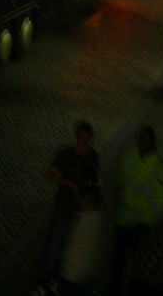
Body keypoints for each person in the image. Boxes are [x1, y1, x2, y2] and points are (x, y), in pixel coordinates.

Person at [32, 121, 101, 295]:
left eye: (86, 139)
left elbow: (93, 182)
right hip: (64, 208)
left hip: (80, 212)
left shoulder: (93, 157)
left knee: (69, 250)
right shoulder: (66, 155)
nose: (83, 142)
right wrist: (68, 183)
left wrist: (88, 200)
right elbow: (47, 174)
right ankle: (43, 283)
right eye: (80, 138)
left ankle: (57, 281)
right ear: (76, 138)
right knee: (53, 248)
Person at [108, 125, 163, 296]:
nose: (142, 142)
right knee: (117, 264)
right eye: (140, 138)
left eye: (145, 139)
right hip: (123, 222)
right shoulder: (130, 156)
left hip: (142, 227)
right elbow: (120, 183)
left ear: (153, 141)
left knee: (137, 269)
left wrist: (147, 221)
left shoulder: (162, 167)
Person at [57, 185, 114, 296]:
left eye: (81, 199)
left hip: (72, 272)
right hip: (84, 274)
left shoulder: (84, 221)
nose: (78, 200)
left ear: (87, 202)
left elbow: (75, 244)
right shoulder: (101, 221)